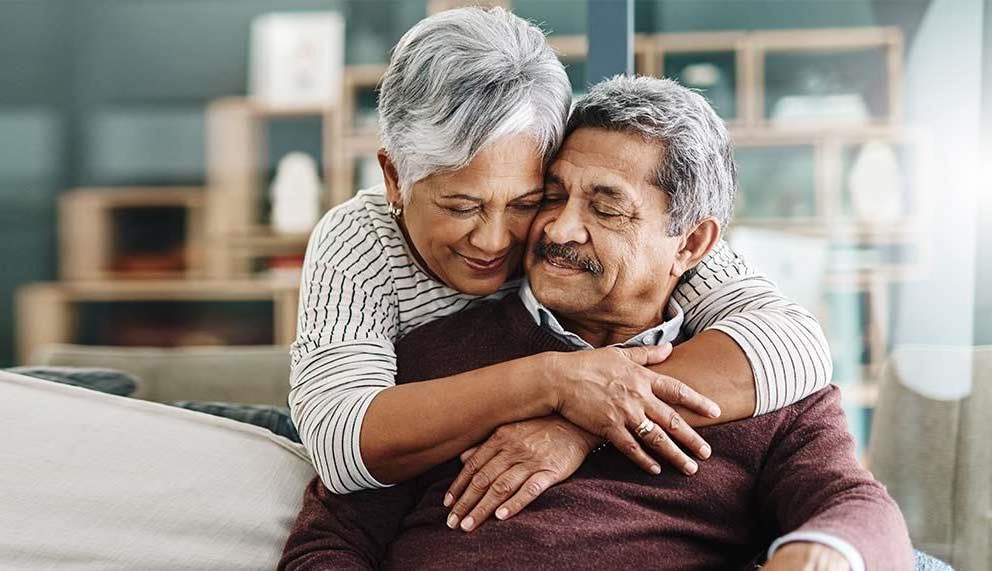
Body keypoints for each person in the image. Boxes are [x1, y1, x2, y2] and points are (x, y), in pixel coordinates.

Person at [280, 75, 911, 571]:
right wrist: (558, 387)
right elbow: (329, 543)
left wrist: (822, 555)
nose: (557, 229)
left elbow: (859, 510)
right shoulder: (431, 364)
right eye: (550, 197)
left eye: (607, 209)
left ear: (690, 245)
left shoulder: (761, 381)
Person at [289, 7, 833, 498]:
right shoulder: (359, 242)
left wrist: (581, 420)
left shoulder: (584, 228)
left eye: (528, 201)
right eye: (460, 206)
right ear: (394, 179)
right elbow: (338, 447)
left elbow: (795, 345)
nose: (494, 240)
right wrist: (553, 381)